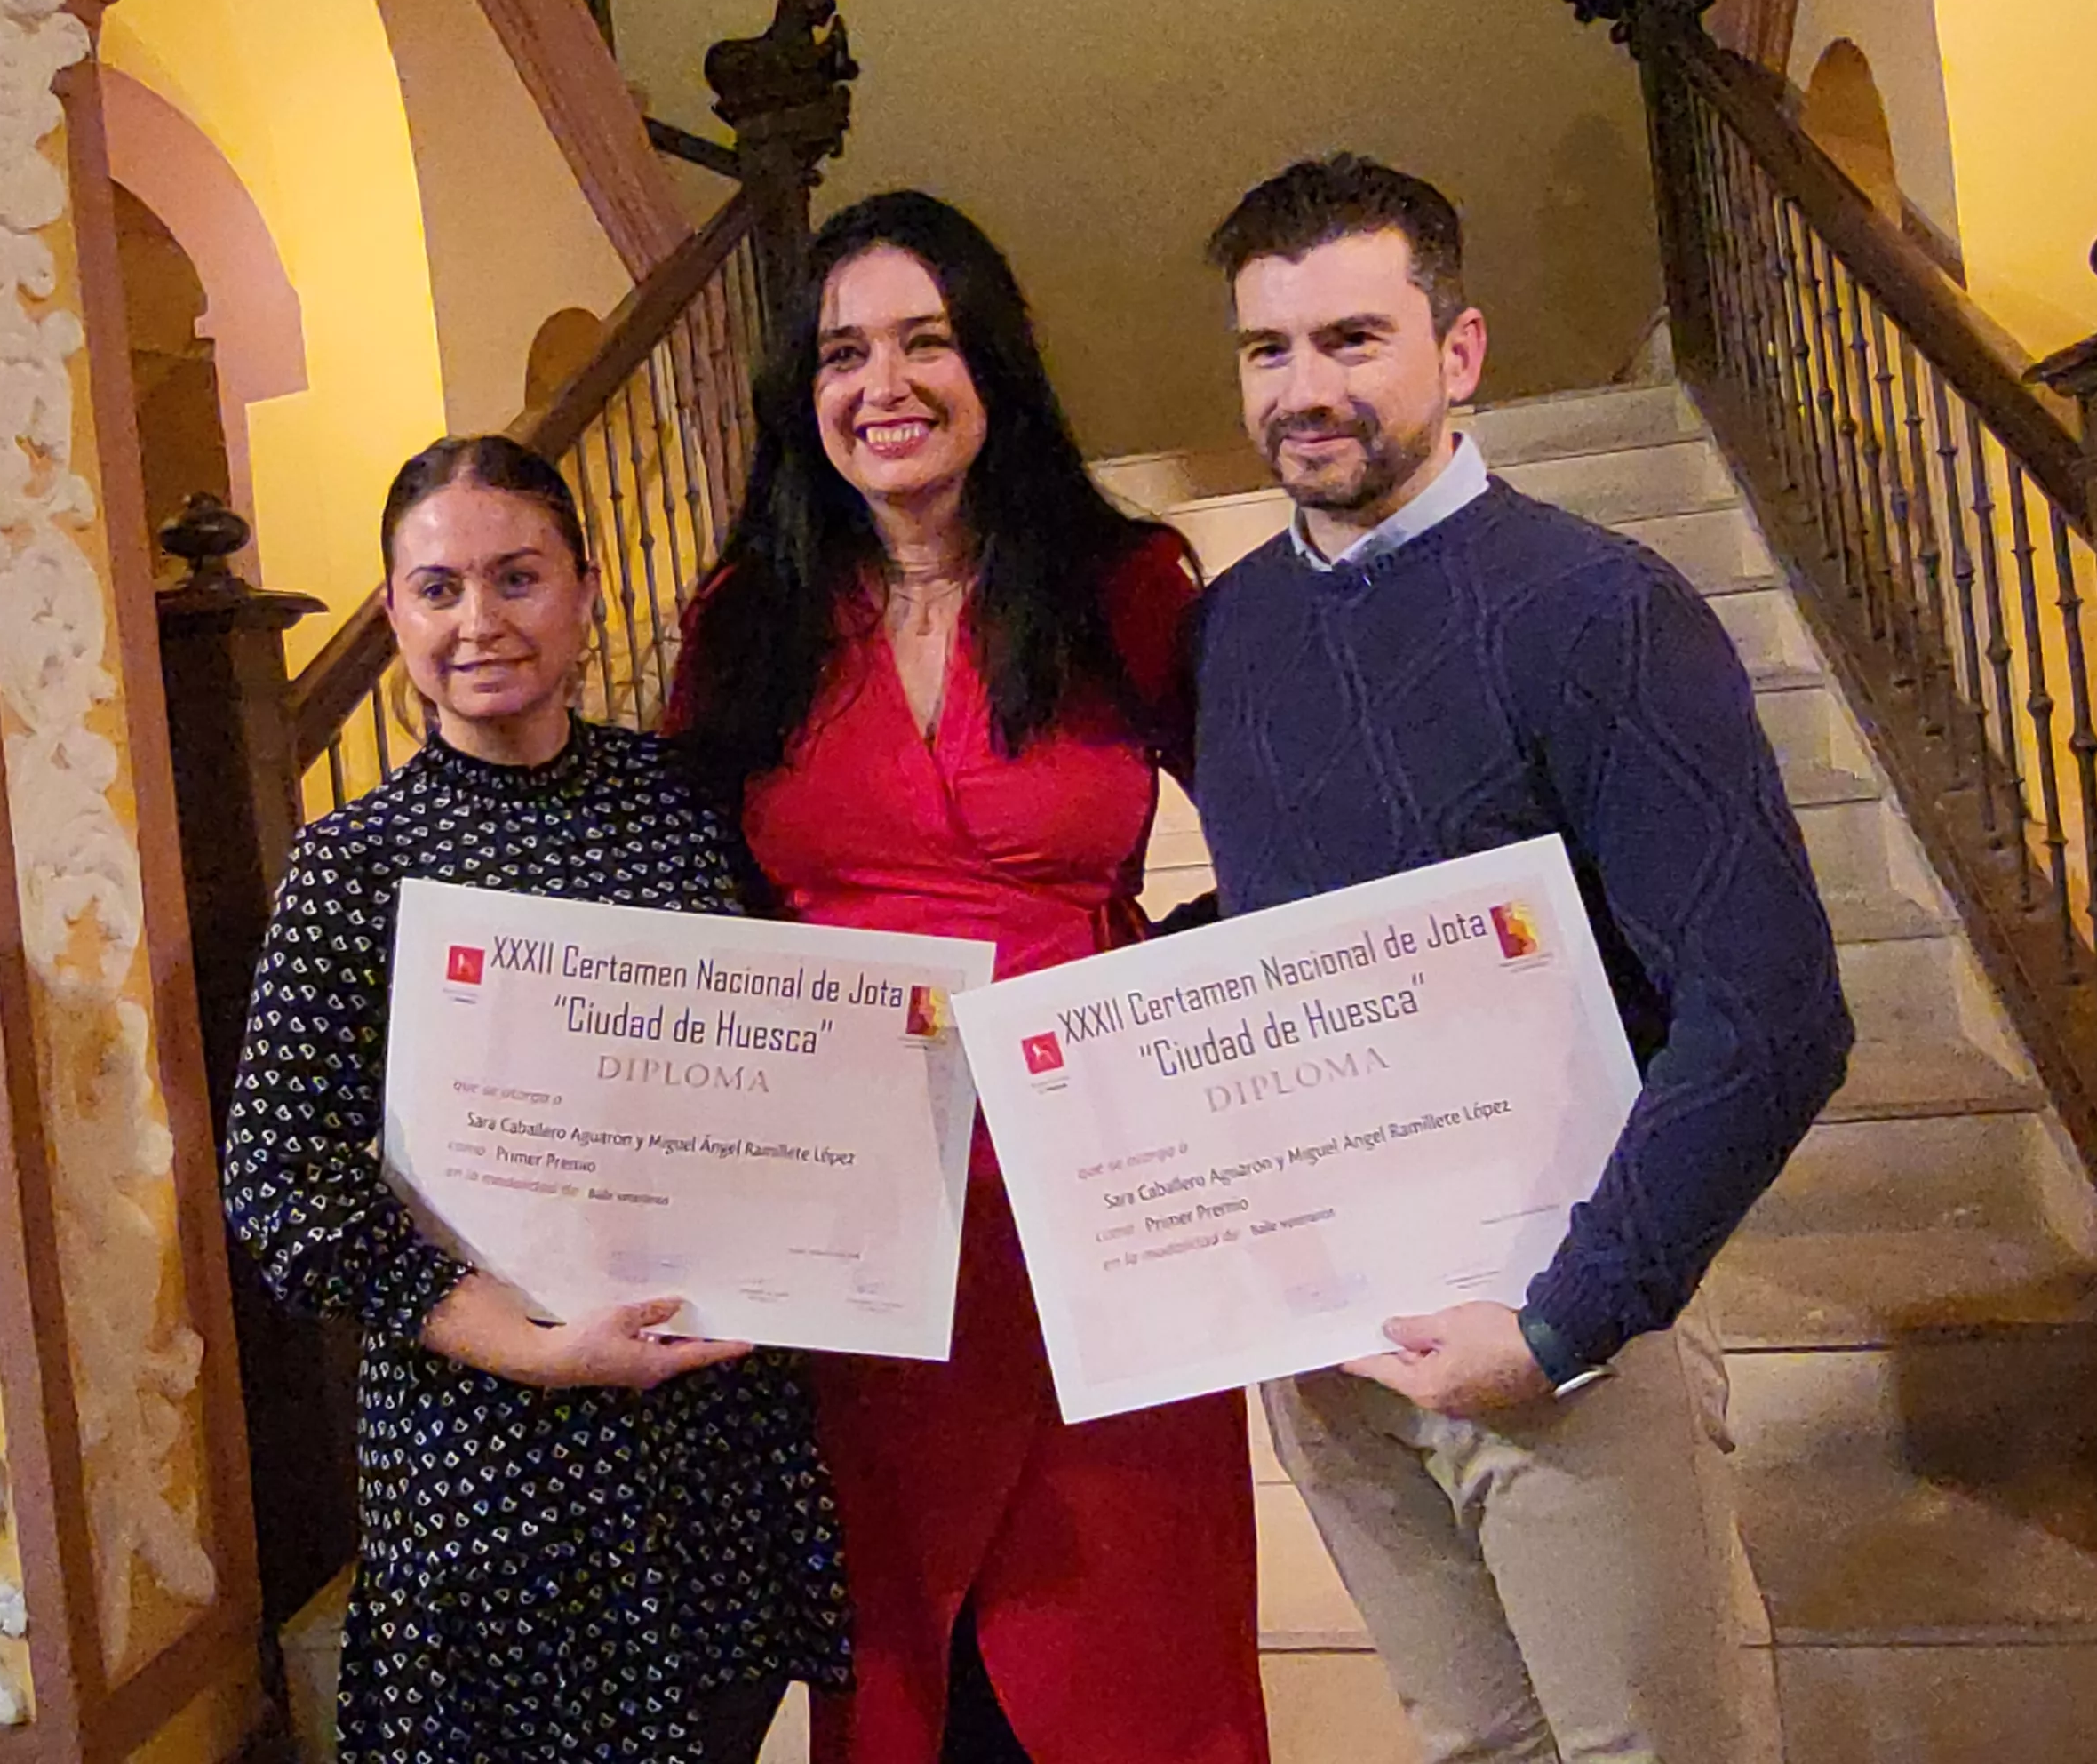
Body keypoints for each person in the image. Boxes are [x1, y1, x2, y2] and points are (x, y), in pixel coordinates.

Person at [1187, 151, 1853, 1764]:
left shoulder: (1598, 609)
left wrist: (1569, 1319)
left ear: (1460, 350)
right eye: (1269, 351)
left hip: (1558, 1328)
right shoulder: (1234, 629)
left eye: (1353, 339)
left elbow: (1773, 1014)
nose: (1305, 390)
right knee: (1481, 1750)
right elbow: (1295, 931)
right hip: (1334, 1357)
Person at [673, 192, 1269, 1764]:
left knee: (1130, 1669)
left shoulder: (1128, 580)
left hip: (1102, 1207)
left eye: (924, 340)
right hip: (863, 1228)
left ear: (991, 360)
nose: (885, 383)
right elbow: (683, 921)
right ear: (803, 396)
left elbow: (1284, 852)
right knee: (910, 1681)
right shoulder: (746, 621)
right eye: (843, 351)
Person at [224, 435, 846, 1764]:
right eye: (437, 589)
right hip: (489, 1441)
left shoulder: (686, 808)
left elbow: (781, 1055)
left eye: (517, 577)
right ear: (392, 614)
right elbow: (281, 1188)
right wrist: (533, 1345)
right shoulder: (354, 864)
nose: (480, 622)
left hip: (702, 1428)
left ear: (584, 591)